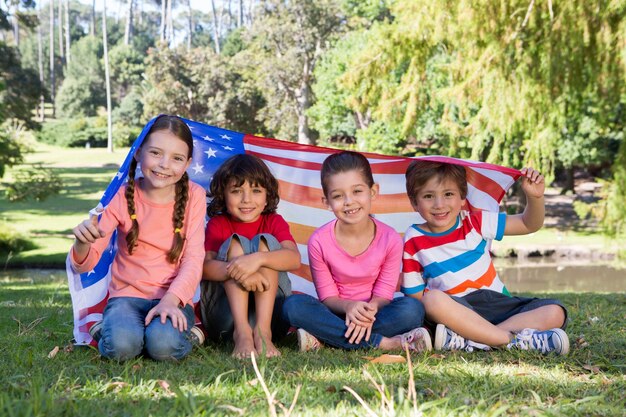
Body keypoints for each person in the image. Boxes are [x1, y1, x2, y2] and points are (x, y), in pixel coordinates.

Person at [70, 115, 206, 361]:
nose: (164, 164)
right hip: (126, 298)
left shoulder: (195, 196)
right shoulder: (122, 197)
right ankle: (112, 330)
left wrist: (170, 301)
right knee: (121, 349)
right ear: (138, 153)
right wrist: (82, 243)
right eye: (155, 153)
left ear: (187, 164)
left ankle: (189, 332)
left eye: (176, 158)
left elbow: (194, 259)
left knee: (163, 348)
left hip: (173, 297)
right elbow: (87, 261)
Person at [402, 160, 569, 354]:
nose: (439, 204)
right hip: (456, 309)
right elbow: (414, 298)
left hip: (496, 304)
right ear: (414, 203)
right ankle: (511, 340)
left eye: (448, 194)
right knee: (432, 301)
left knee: (555, 311)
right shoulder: (413, 237)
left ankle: (475, 340)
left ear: (462, 197)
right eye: (428, 196)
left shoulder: (476, 222)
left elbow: (528, 224)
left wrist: (535, 198)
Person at [283, 151, 431, 352]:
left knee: (412, 309)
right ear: (326, 202)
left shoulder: (391, 239)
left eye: (357, 191)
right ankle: (384, 343)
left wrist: (368, 311)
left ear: (373, 192)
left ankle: (327, 339)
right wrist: (349, 307)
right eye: (337, 195)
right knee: (293, 305)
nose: (349, 201)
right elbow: (327, 297)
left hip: (375, 314)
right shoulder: (319, 241)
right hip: (336, 312)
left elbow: (384, 294)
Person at [199, 154, 301, 359]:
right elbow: (203, 267)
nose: (246, 199)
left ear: (267, 197)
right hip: (225, 320)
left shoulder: (274, 221)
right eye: (237, 191)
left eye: (256, 191)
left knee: (265, 241)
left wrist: (257, 260)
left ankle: (263, 333)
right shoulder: (218, 224)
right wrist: (241, 272)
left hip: (273, 318)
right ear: (224, 195)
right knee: (235, 243)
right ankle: (243, 333)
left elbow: (294, 259)